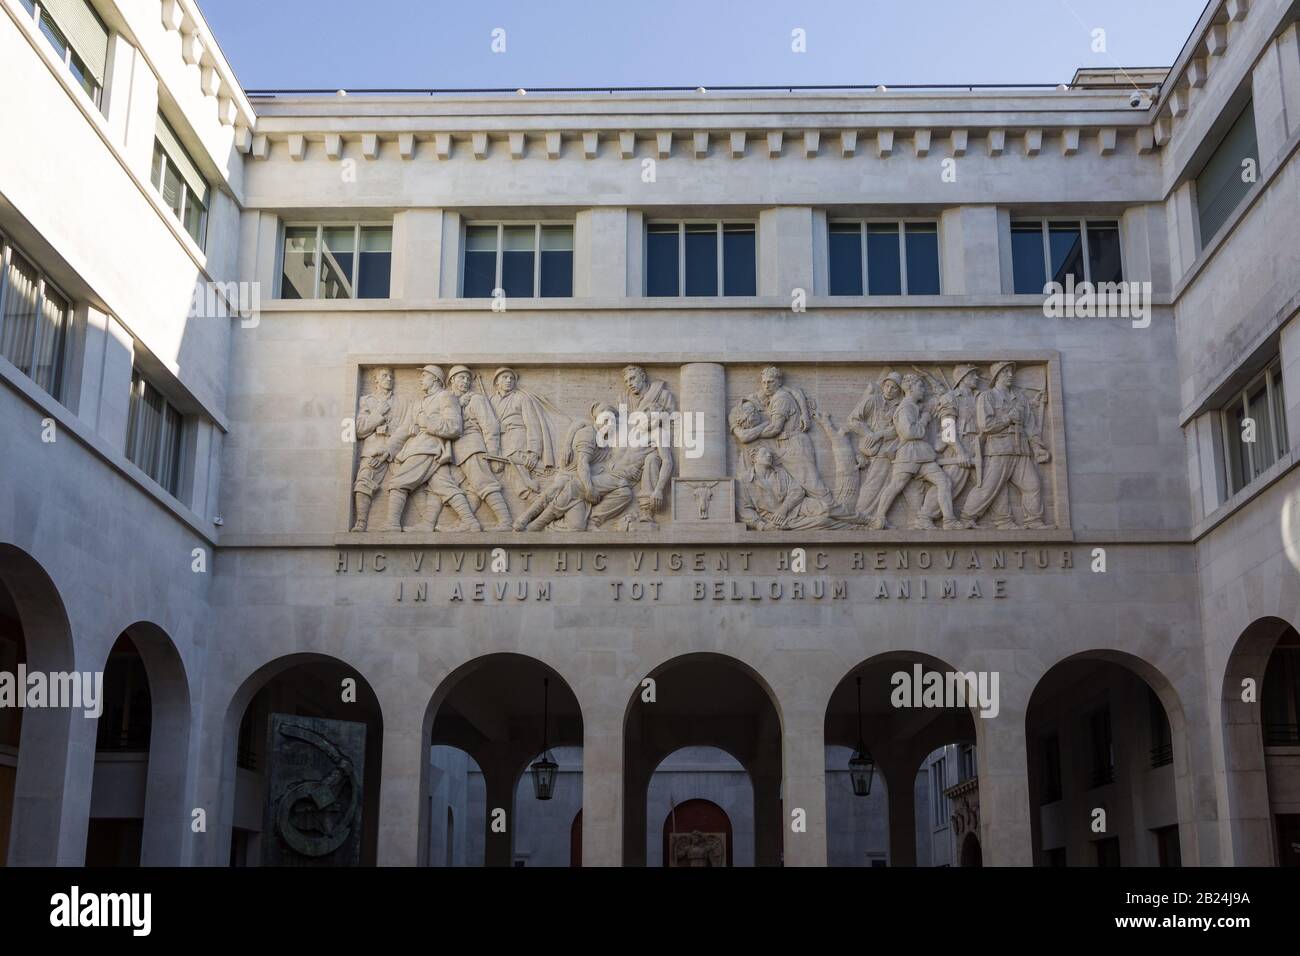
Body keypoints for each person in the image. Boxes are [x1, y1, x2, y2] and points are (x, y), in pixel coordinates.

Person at [381, 365, 481, 532]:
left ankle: (392, 525)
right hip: (421, 447)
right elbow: (404, 428)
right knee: (444, 486)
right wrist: (388, 449)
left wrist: (427, 423)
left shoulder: (445, 397)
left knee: (398, 482)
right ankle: (470, 522)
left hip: (428, 447)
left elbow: (455, 427)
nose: (420, 379)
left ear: (434, 378)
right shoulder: (418, 402)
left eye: (424, 375)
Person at [869, 373, 971, 530]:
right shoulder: (905, 407)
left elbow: (935, 403)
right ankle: (879, 518)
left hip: (922, 455)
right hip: (909, 454)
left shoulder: (915, 406)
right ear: (910, 388)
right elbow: (909, 433)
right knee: (896, 485)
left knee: (944, 482)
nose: (923, 390)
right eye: (920, 386)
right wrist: (924, 419)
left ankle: (949, 520)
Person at [959, 361, 1051, 529]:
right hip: (998, 449)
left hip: (1021, 449)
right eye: (1005, 372)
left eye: (1011, 372)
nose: (1010, 375)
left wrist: (1038, 448)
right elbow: (985, 426)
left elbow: (1030, 425)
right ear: (996, 377)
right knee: (989, 488)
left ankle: (1034, 520)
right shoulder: (987, 396)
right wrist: (1008, 418)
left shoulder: (1021, 397)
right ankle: (967, 517)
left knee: (1033, 485)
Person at [447, 365, 512, 530]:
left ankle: (505, 520)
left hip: (472, 447)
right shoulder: (449, 401)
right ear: (452, 380)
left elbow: (490, 425)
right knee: (472, 487)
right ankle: (466, 522)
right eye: (461, 377)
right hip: (456, 452)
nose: (466, 381)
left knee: (484, 483)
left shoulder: (476, 399)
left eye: (468, 378)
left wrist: (493, 453)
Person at [350, 366, 413, 531]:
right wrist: (378, 414)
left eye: (391, 376)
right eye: (384, 376)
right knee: (363, 481)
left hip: (398, 450)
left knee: (408, 483)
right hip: (373, 449)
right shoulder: (367, 400)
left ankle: (399, 524)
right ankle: (361, 522)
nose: (389, 379)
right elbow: (359, 429)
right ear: (376, 379)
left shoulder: (403, 403)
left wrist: (391, 448)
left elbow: (407, 427)